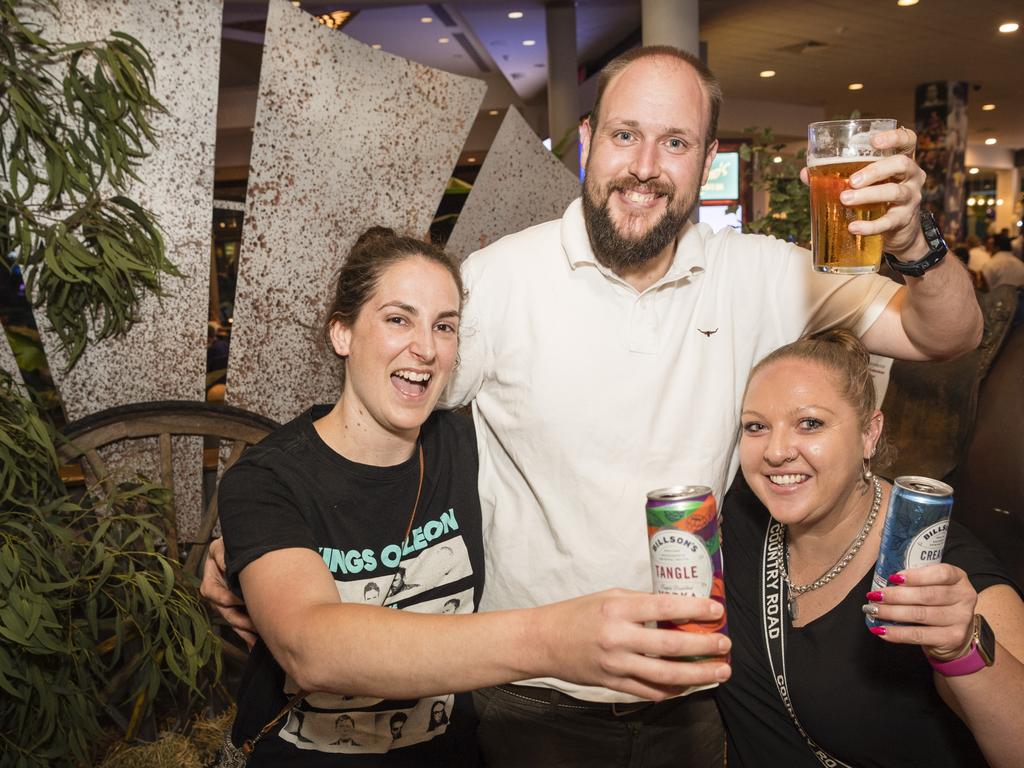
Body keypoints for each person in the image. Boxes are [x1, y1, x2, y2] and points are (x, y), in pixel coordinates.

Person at [205, 45, 981, 767]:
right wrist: (274, 540)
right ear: (588, 140)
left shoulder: (764, 275)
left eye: (675, 143)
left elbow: (944, 333)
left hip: (698, 696)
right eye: (625, 135)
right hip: (523, 704)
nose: (644, 168)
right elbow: (393, 410)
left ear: (707, 160)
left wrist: (917, 247)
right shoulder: (501, 279)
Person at [216, 227, 730, 766]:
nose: (426, 347)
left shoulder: (470, 448)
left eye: (445, 326)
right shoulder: (265, 479)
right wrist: (553, 641)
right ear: (342, 333)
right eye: (398, 319)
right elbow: (310, 649)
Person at [716, 329, 1024, 767]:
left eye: (811, 423)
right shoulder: (742, 518)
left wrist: (960, 649)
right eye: (756, 427)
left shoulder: (939, 570)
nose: (777, 451)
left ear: (869, 433)